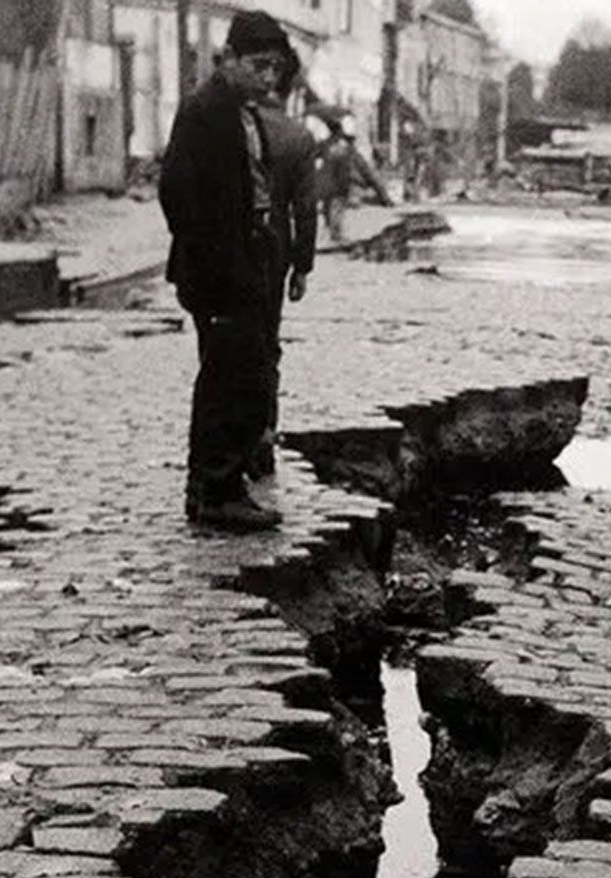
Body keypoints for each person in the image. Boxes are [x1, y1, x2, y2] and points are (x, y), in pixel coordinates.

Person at [158, 11, 296, 530]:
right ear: (231, 58)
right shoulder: (207, 110)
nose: (268, 78)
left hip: (240, 269)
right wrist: (215, 258)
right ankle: (217, 491)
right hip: (220, 275)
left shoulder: (240, 110)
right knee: (231, 382)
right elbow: (175, 191)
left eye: (276, 69)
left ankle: (214, 485)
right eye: (260, 65)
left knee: (242, 378)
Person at [251, 62, 319, 480]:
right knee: (266, 345)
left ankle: (226, 448)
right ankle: (264, 439)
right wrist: (302, 266)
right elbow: (305, 210)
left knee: (225, 351)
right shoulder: (297, 136)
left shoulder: (236, 126)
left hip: (228, 250)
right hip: (272, 253)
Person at [316, 115, 394, 244]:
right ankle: (335, 237)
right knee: (336, 209)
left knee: (330, 209)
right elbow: (369, 175)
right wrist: (385, 197)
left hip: (324, 186)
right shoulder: (349, 151)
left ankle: (330, 235)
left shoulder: (325, 146)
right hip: (339, 186)